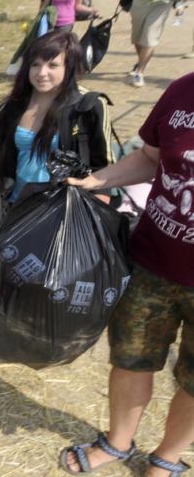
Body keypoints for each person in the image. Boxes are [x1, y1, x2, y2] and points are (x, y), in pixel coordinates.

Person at [60, 71, 194, 477]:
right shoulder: (183, 90)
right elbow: (150, 158)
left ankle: (166, 458)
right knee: (131, 357)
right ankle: (117, 443)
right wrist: (94, 182)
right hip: (153, 262)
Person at [0, 30, 113, 206]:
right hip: (14, 206)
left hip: (62, 210)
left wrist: (96, 211)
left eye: (52, 65)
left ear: (69, 67)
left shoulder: (88, 107)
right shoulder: (13, 106)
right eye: (35, 64)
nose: (41, 73)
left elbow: (103, 167)